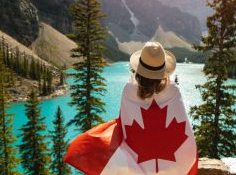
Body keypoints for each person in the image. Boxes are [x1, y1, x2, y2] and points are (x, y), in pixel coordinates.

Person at [64, 42, 198, 175]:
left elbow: (124, 123)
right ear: (163, 70)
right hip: (173, 167)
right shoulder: (174, 91)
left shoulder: (129, 90)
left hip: (136, 165)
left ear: (139, 69)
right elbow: (185, 130)